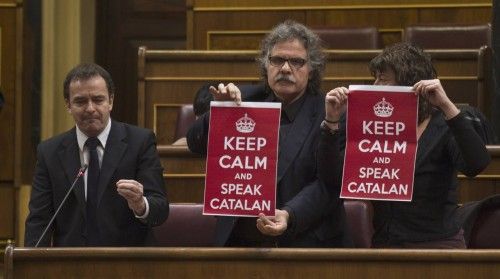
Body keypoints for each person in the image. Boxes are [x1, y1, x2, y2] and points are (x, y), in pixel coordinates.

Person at [187, 20, 351, 247]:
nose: (285, 68)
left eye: (296, 62)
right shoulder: (242, 99)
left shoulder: (332, 113)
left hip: (306, 242)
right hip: (241, 242)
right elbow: (194, 143)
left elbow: (330, 184)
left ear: (311, 69)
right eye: (277, 59)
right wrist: (219, 113)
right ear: (266, 64)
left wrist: (288, 214)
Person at [321, 42, 491, 248]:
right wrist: (332, 121)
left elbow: (476, 164)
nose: (375, 86)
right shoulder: (371, 126)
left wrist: (447, 105)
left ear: (409, 84)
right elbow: (332, 176)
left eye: (383, 80)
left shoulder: (442, 125)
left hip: (438, 244)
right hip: (386, 243)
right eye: (375, 78)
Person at [25, 63, 168, 247]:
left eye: (98, 100)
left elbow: (160, 209)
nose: (90, 108)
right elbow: (39, 221)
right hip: (69, 265)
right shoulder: (49, 152)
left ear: (111, 101)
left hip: (128, 263)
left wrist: (141, 204)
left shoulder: (140, 142)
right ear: (68, 104)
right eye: (80, 101)